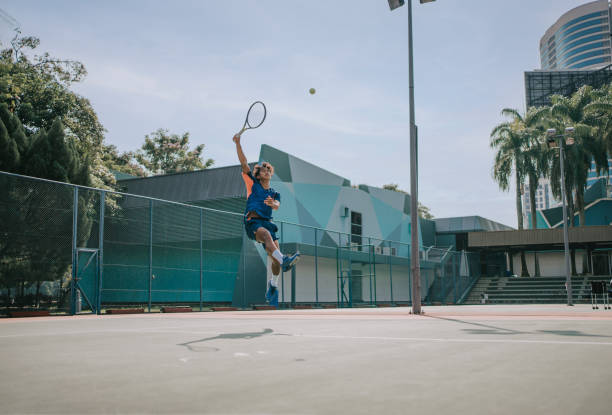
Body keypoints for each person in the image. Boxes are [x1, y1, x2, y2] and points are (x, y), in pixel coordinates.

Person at [234, 134, 300, 304]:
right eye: (263, 170)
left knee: (274, 260)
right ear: (258, 175)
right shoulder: (252, 184)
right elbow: (243, 162)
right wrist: (238, 143)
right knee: (267, 237)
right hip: (253, 222)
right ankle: (285, 259)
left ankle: (273, 284)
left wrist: (273, 204)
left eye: (268, 170)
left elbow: (277, 205)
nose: (266, 171)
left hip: (268, 223)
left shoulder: (274, 193)